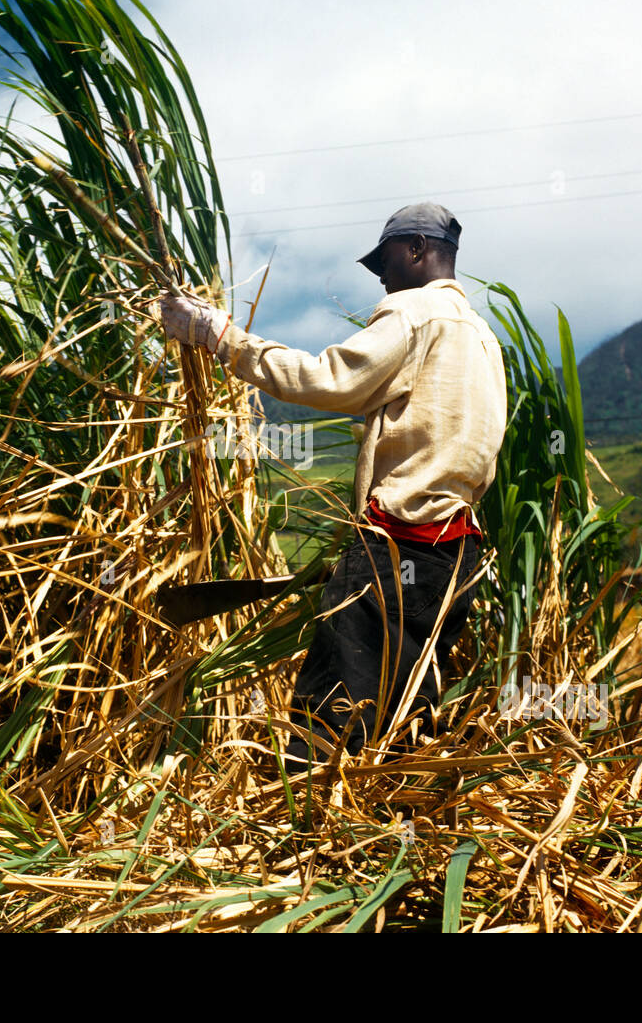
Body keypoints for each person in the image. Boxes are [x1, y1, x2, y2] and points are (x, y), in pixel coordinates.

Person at [160, 203, 507, 769]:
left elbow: (326, 378)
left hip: (396, 547)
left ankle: (300, 840)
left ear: (417, 250)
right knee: (406, 719)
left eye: (387, 259)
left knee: (331, 711)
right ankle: (392, 842)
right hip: (456, 558)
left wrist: (220, 336)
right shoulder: (484, 340)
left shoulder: (415, 315)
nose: (380, 274)